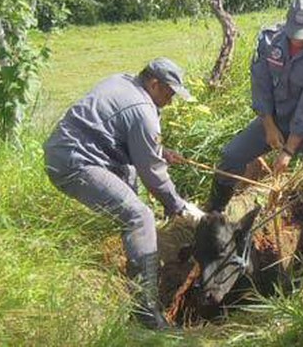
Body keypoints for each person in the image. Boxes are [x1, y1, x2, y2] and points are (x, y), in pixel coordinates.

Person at [44, 58, 203, 330]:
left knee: (130, 185)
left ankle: (132, 260)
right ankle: (145, 310)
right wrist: (179, 207)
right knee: (139, 216)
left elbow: (117, 133)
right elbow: (153, 174)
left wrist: (160, 153)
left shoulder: (123, 80)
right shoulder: (143, 110)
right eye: (169, 93)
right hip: (75, 162)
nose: (171, 101)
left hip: (69, 150)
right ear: (154, 84)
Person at [206, 0, 303, 232]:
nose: (296, 39)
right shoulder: (269, 40)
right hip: (274, 118)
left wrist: (288, 150)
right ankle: (211, 219)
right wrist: (269, 125)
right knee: (231, 156)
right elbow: (260, 86)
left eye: (302, 33)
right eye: (293, 31)